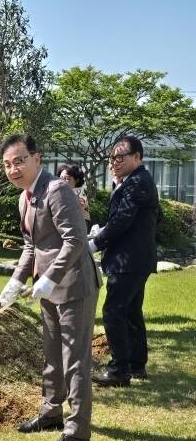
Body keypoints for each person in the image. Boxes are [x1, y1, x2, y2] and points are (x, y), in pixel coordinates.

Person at [0, 134, 101, 441]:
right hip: (48, 288)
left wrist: (49, 279)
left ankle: (77, 433)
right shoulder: (24, 197)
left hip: (74, 286)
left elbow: (75, 241)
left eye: (19, 161)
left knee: (75, 361)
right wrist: (16, 281)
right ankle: (52, 412)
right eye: (7, 165)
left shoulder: (57, 190)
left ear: (37, 158)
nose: (13, 169)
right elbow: (32, 245)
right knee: (52, 355)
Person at [89, 136, 160, 387]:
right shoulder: (133, 181)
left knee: (113, 311)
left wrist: (95, 243)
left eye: (120, 157)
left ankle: (119, 370)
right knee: (130, 311)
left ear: (138, 157)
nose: (114, 162)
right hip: (135, 259)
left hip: (129, 261)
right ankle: (136, 364)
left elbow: (122, 221)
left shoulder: (138, 182)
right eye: (111, 159)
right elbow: (128, 217)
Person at [57, 163, 90, 231]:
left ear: (76, 180)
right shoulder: (65, 192)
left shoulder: (78, 195)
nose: (63, 181)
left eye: (67, 178)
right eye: (61, 178)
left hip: (74, 231)